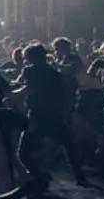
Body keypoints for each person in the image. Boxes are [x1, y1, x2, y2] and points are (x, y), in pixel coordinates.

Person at [14, 43, 87, 186]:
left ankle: (41, 176)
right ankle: (80, 176)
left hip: (37, 117)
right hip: (55, 115)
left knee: (23, 154)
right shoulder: (55, 73)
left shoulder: (29, 70)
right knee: (69, 147)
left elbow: (29, 89)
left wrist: (12, 95)